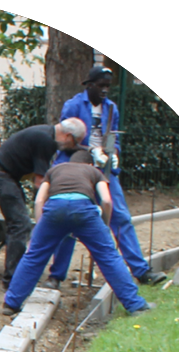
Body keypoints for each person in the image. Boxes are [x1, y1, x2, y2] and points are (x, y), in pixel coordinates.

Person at [52, 66, 167, 286]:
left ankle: (141, 271)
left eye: (108, 86)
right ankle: (56, 276)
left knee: (120, 216)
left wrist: (115, 156)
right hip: (76, 169)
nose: (105, 90)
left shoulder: (112, 109)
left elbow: (115, 139)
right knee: (68, 219)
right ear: (89, 85)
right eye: (101, 86)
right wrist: (89, 150)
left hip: (103, 171)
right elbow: (64, 140)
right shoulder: (73, 105)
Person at [2, 149, 150, 316]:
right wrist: (104, 225)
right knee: (108, 256)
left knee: (34, 256)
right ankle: (135, 305)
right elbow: (107, 200)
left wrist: (41, 226)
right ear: (89, 164)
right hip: (84, 211)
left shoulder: (54, 170)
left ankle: (11, 303)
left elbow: (39, 200)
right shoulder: (93, 171)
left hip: (54, 210)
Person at [0, 119, 81, 285]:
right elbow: (40, 182)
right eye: (75, 142)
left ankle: (15, 275)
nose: (73, 146)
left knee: (19, 222)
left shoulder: (46, 133)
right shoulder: (46, 140)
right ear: (68, 135)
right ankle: (13, 280)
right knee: (21, 224)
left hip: (3, 175)